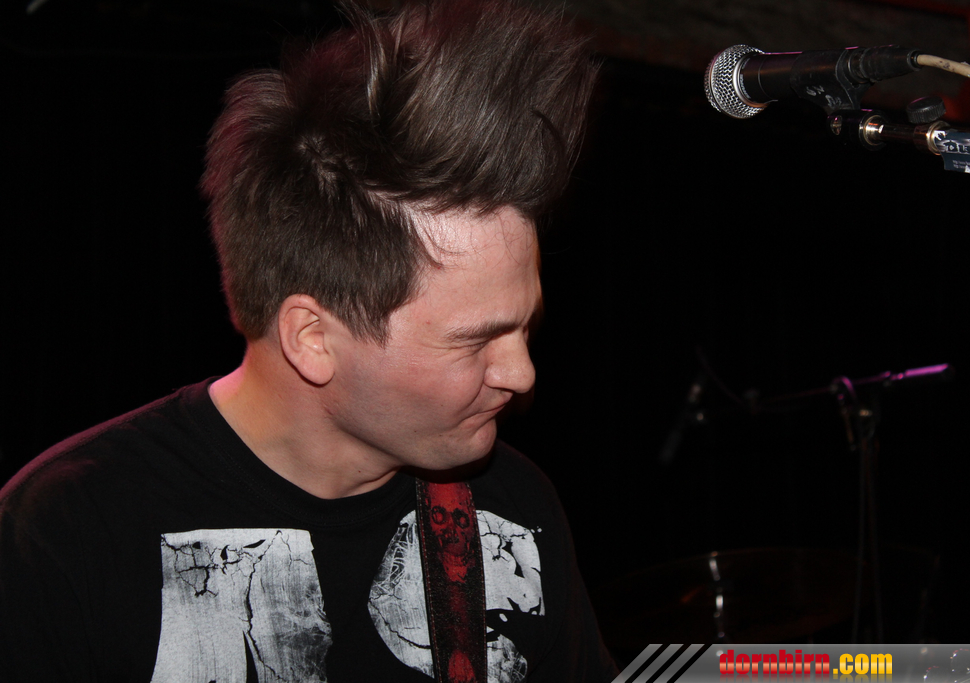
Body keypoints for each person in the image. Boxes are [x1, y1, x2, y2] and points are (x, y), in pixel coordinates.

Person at [0, 0, 618, 681]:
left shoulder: (513, 508)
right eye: (476, 341)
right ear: (312, 338)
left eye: (526, 326)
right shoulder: (69, 530)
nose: (522, 373)